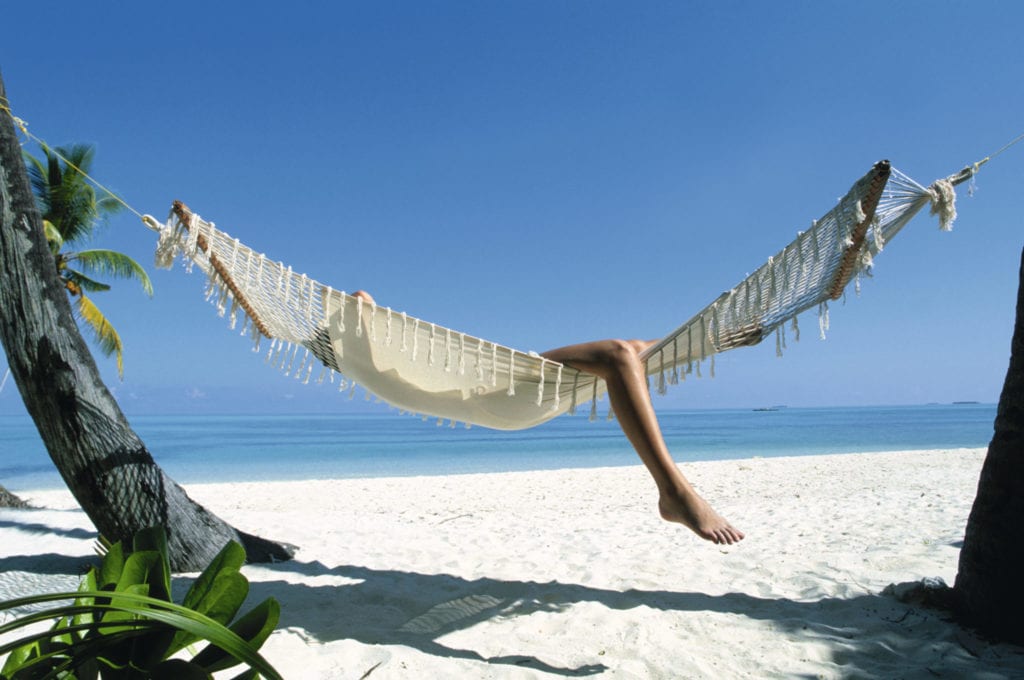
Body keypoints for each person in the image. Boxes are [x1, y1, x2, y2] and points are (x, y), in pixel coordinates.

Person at [352, 290, 745, 546]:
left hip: (506, 394)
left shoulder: (382, 368)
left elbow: (360, 304)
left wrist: (360, 311)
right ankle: (674, 492)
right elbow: (360, 324)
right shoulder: (375, 369)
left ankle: (707, 341)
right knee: (619, 354)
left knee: (629, 354)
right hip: (498, 399)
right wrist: (356, 315)